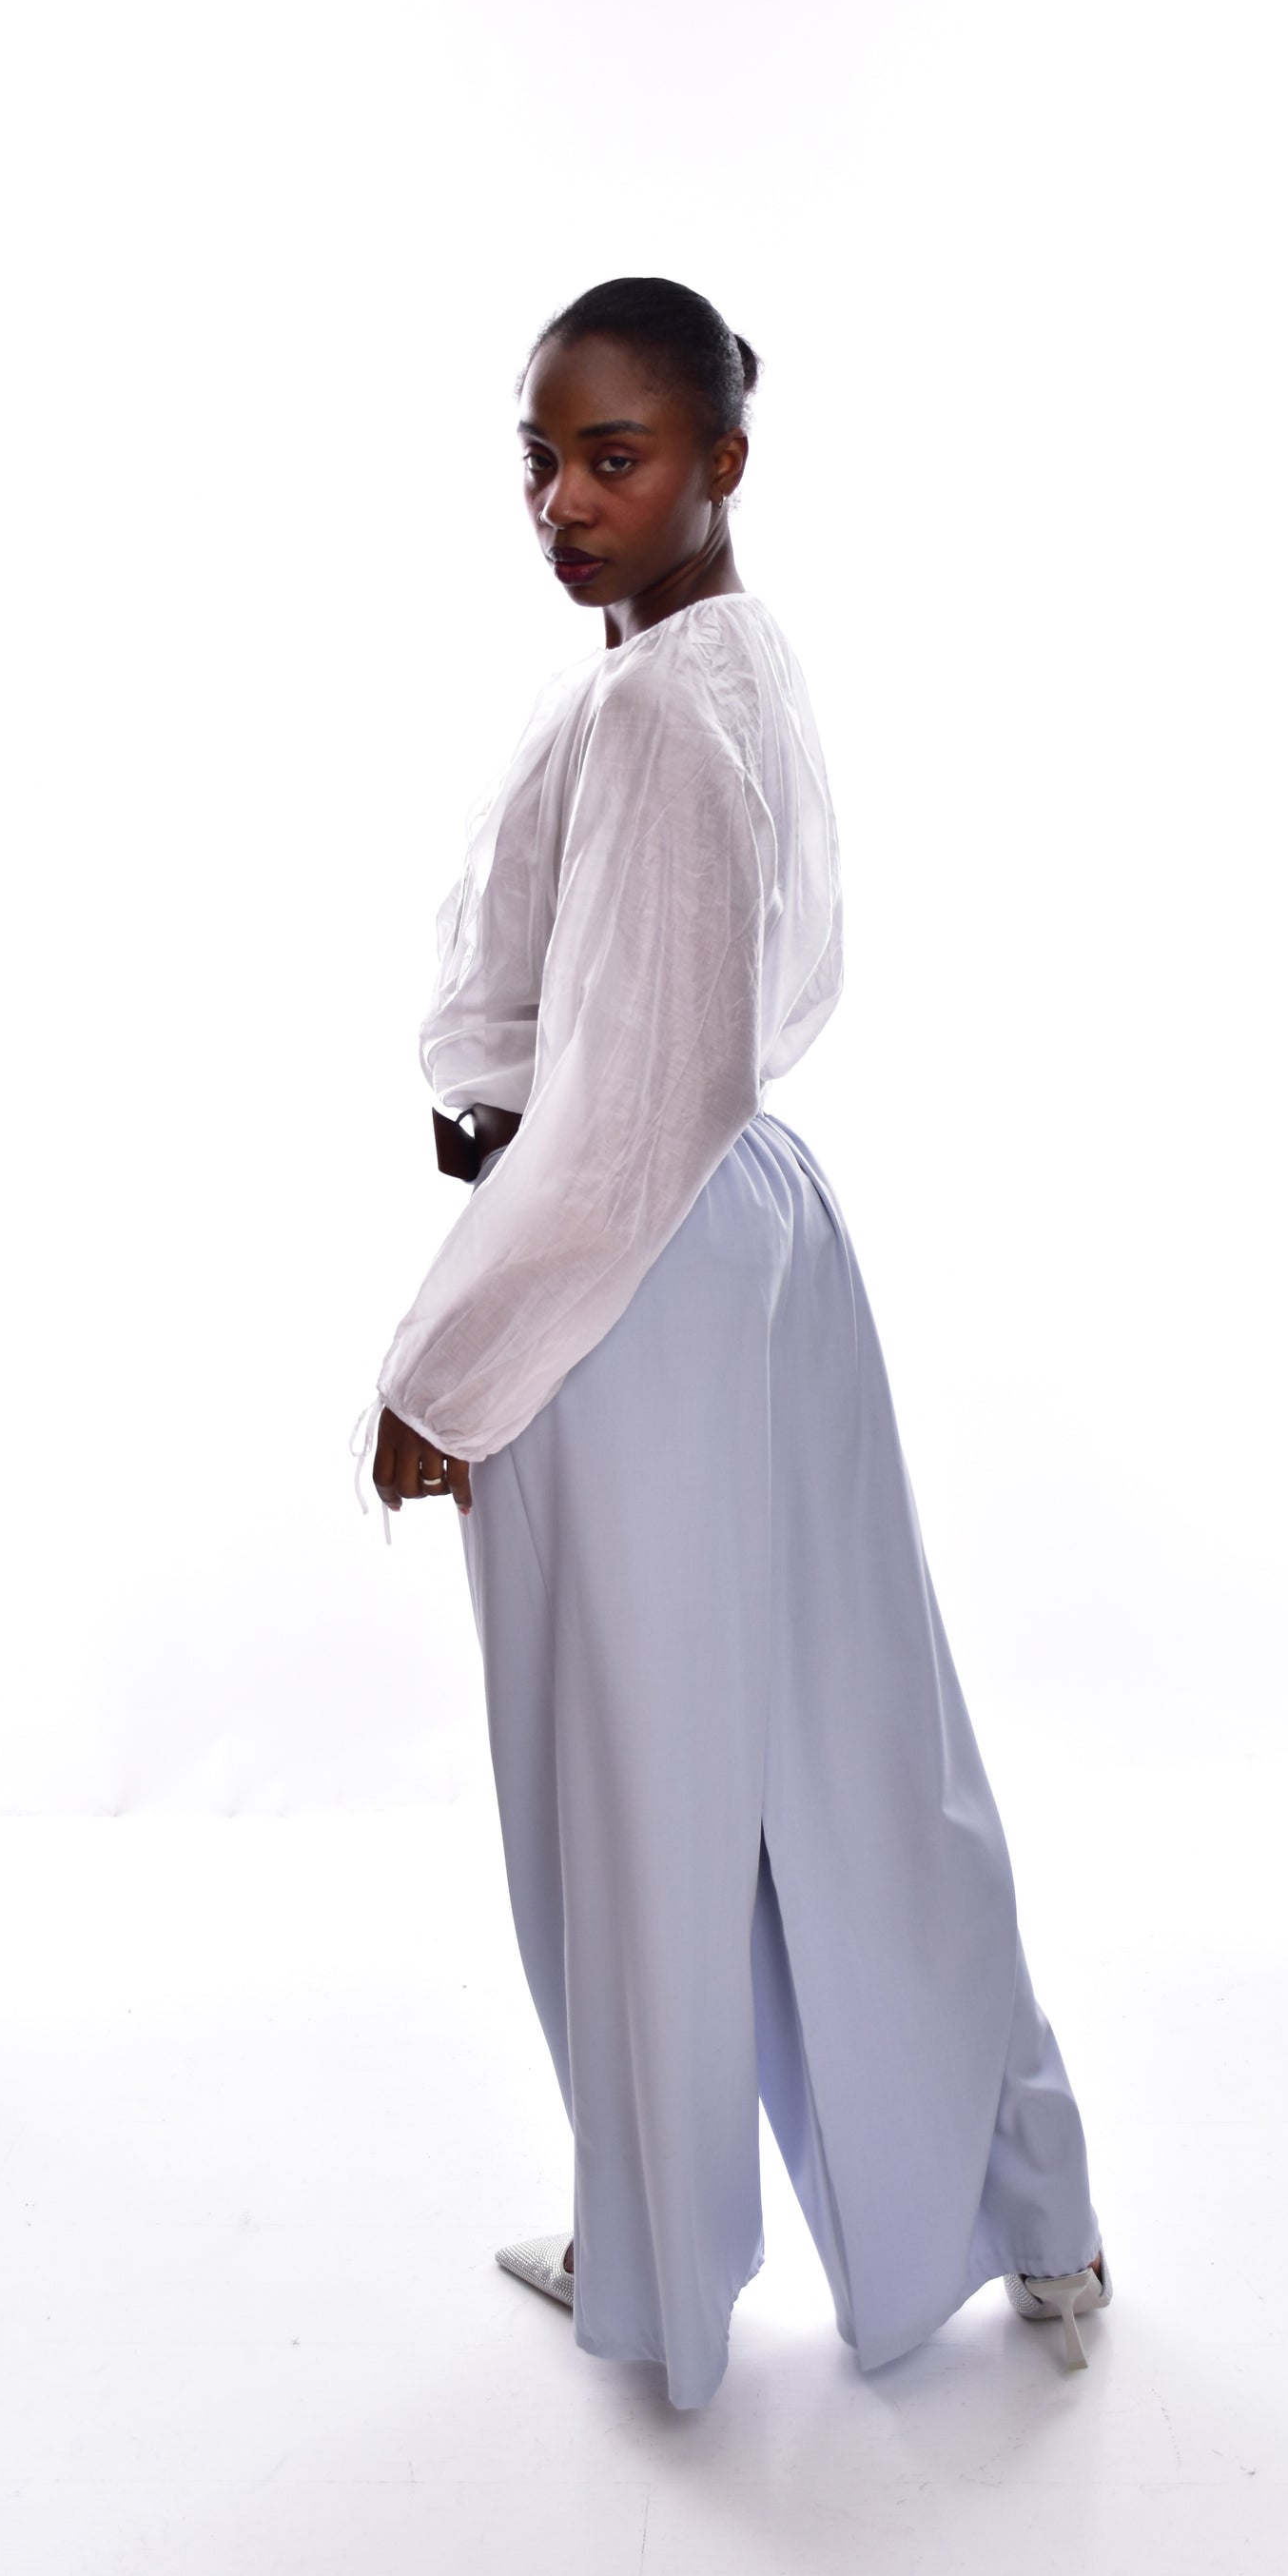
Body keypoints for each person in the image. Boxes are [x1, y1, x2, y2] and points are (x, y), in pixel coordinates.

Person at [357, 277, 1108, 2411]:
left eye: (615, 458)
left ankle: (656, 2262)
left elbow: (624, 1124)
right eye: (539, 460)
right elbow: (683, 1057)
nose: (563, 503)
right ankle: (1031, 2212)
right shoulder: (726, 660)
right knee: (862, 1750)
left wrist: (440, 1372)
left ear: (723, 460)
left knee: (634, 1794)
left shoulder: (658, 716)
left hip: (630, 1278)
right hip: (755, 1242)